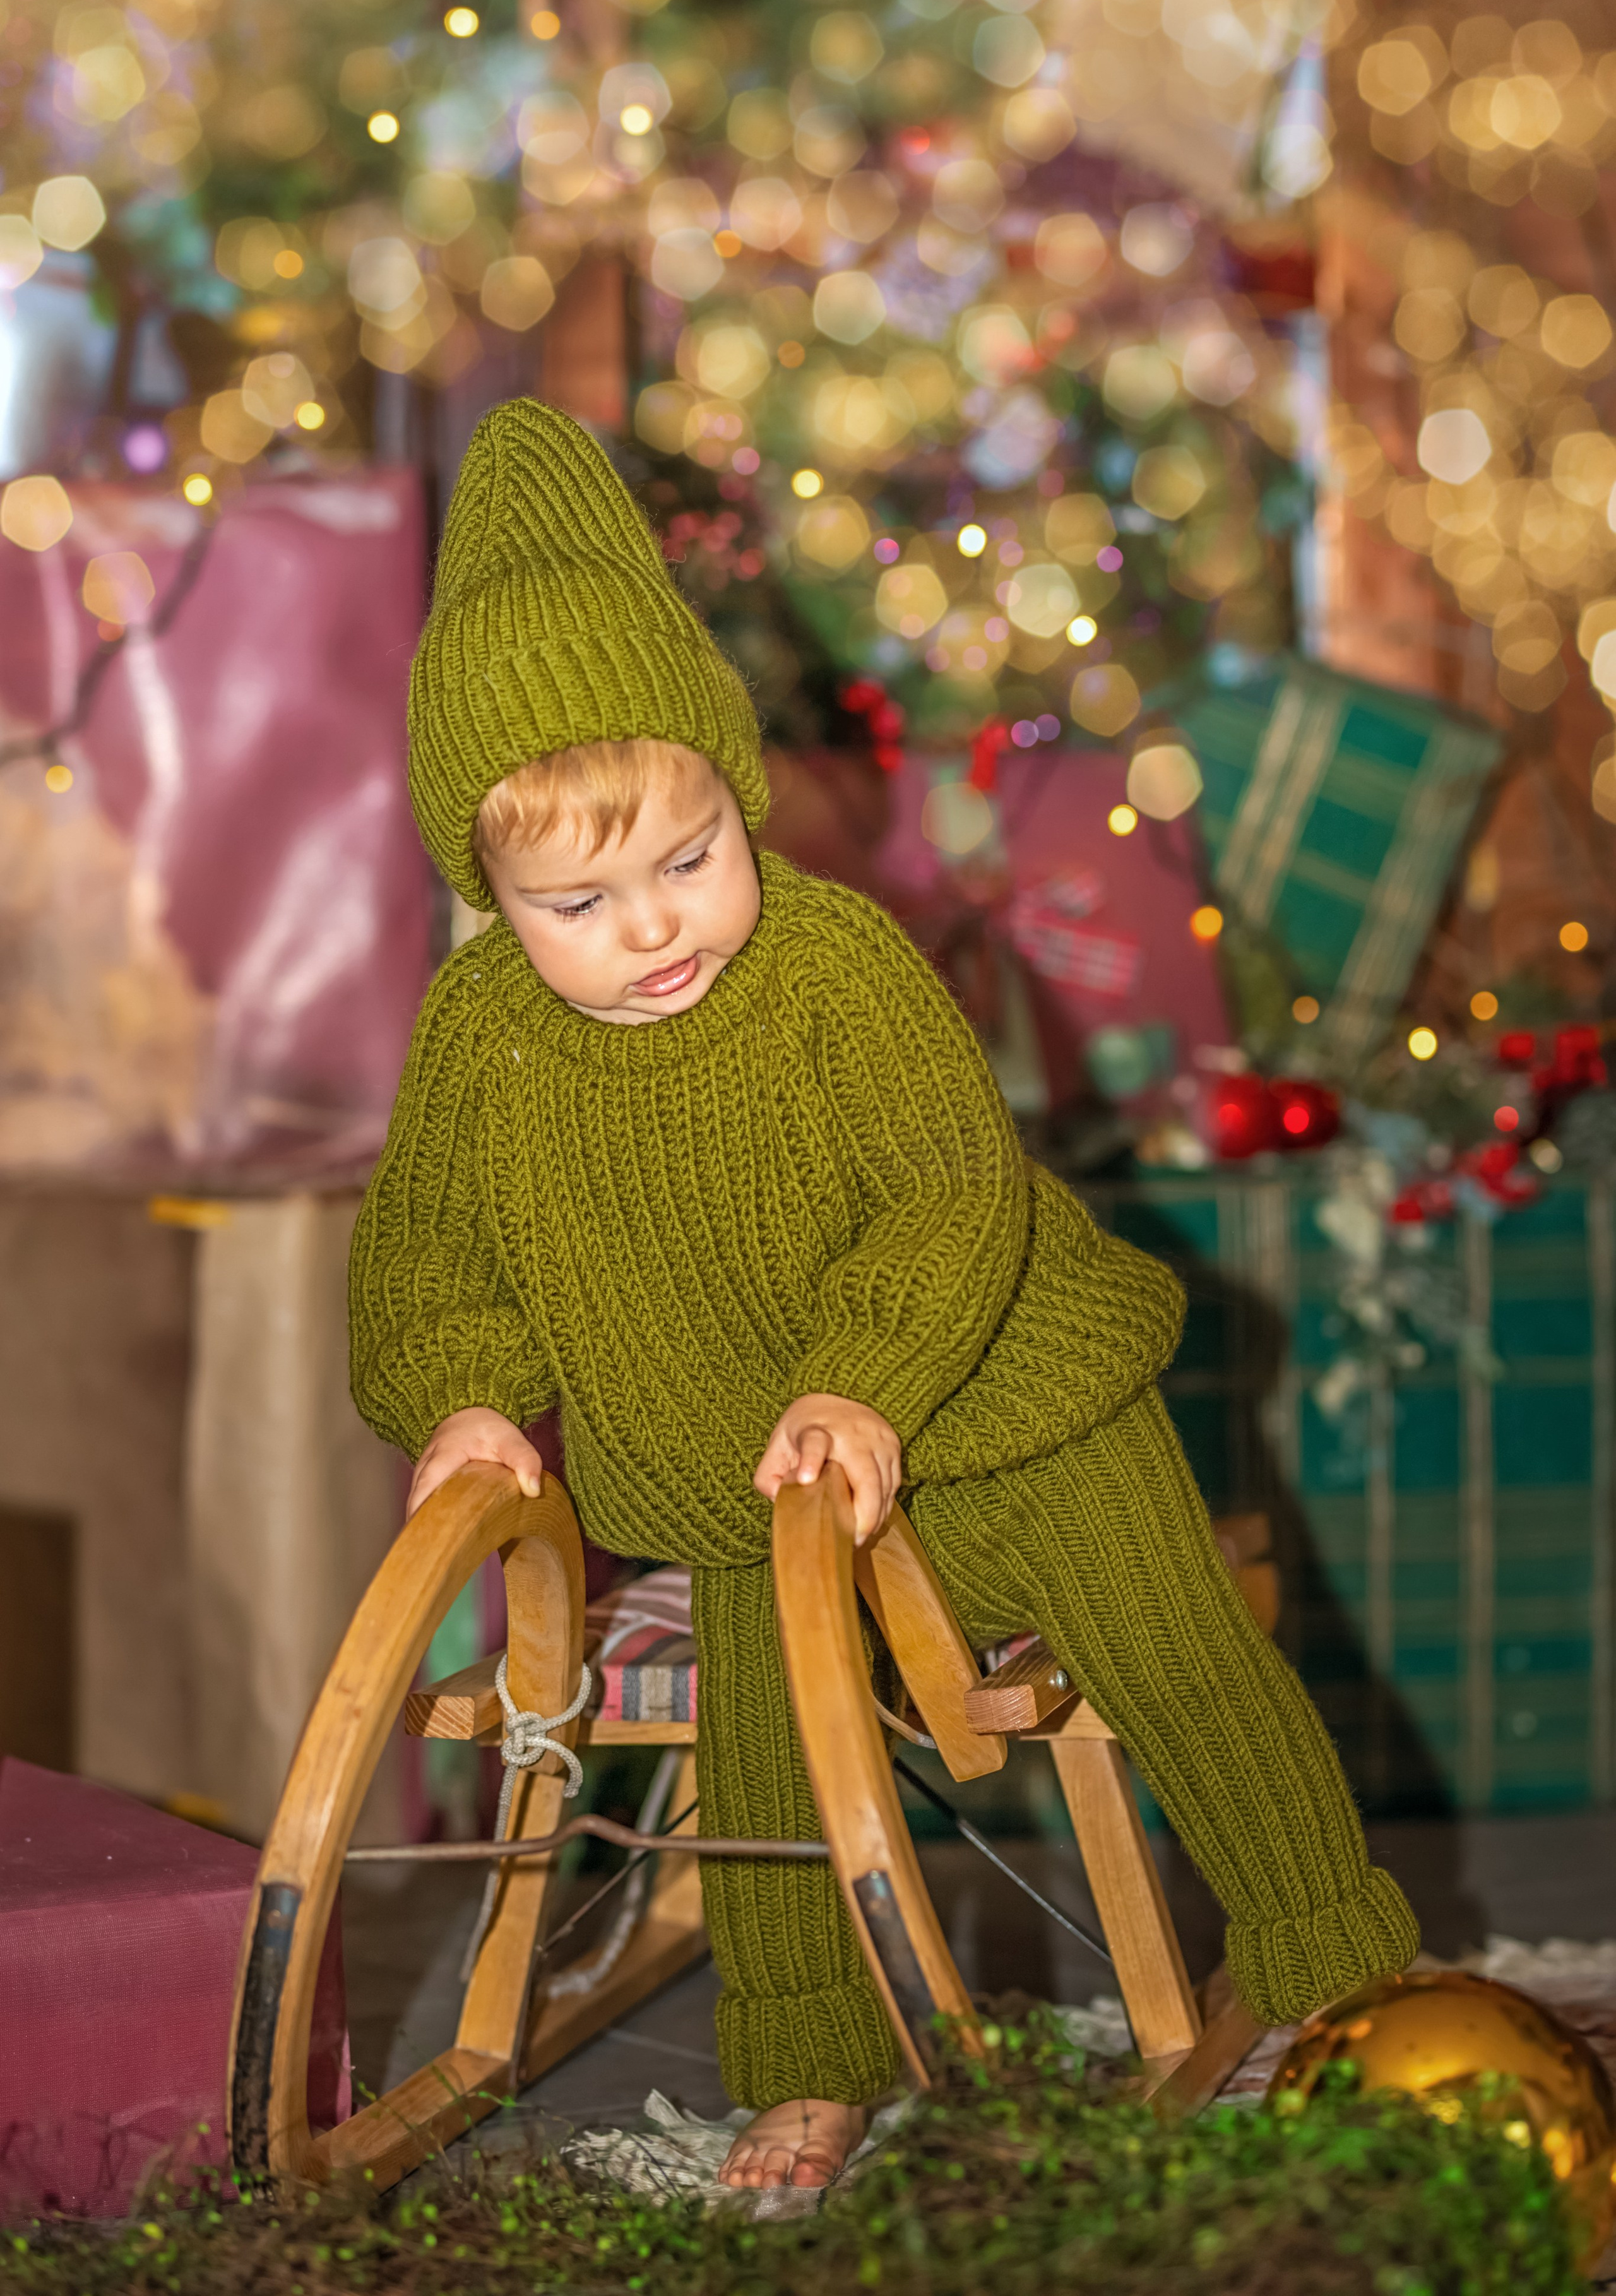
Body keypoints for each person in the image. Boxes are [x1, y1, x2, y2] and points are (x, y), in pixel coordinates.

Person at [349, 399, 1418, 2194]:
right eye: (580, 899)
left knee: (1175, 1648)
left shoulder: (838, 967)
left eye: (689, 859)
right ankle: (812, 2067)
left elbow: (949, 1196)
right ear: (491, 894)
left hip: (1004, 1392)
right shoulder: (478, 1043)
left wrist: (863, 1379)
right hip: (749, 1478)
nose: (655, 927)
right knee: (773, 1743)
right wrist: (463, 1390)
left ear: (735, 793)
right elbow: (428, 1257)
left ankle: (1337, 1957)